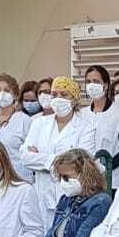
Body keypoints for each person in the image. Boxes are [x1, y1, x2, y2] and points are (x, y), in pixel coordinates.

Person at [23, 75, 94, 208]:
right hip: (41, 195)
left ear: (74, 99)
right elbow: (26, 158)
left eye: (64, 94)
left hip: (71, 194)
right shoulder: (39, 123)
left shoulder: (86, 127)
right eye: (54, 94)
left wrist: (41, 158)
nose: (58, 99)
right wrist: (60, 160)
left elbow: (82, 163)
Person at [0, 73, 32, 178]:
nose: (2, 94)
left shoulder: (24, 120)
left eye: (7, 90)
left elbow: (31, 151)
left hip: (19, 176)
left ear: (15, 95)